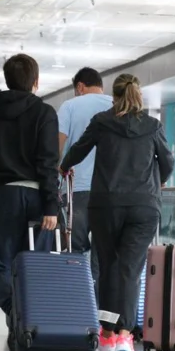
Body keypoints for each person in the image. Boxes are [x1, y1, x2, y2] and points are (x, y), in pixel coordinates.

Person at [60, 73, 173, 351]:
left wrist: (64, 166)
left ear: (115, 96)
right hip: (143, 206)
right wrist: (159, 181)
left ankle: (108, 335)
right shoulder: (152, 126)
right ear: (138, 95)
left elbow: (79, 149)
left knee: (109, 267)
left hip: (106, 205)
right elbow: (168, 161)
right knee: (130, 270)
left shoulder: (102, 122)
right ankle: (124, 335)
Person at [0, 53, 59, 351]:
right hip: (37, 198)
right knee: (36, 265)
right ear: (36, 81)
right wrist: (51, 206)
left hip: (5, 196)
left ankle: (15, 313)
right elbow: (48, 162)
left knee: (0, 263)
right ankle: (27, 321)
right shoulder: (45, 112)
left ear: (7, 80)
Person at [57, 67, 112, 285]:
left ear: (80, 86)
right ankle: (97, 303)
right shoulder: (116, 105)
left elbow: (58, 146)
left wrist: (56, 177)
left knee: (75, 250)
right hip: (108, 192)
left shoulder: (70, 106)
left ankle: (76, 299)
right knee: (102, 255)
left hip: (76, 190)